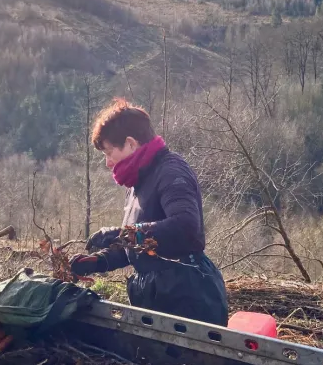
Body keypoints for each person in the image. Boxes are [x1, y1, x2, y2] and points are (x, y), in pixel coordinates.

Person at [69, 99, 229, 327]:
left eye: (109, 152)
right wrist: (97, 261)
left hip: (187, 292)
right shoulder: (137, 182)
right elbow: (137, 246)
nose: (107, 163)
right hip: (152, 291)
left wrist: (120, 233)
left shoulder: (171, 170)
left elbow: (185, 225)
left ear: (131, 143)